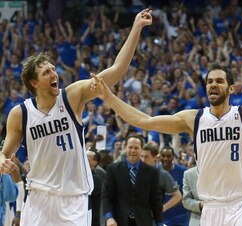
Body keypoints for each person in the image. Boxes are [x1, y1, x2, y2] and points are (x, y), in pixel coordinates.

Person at [91, 64, 242, 226]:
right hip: (210, 208)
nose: (212, 84)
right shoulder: (193, 118)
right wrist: (109, 97)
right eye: (209, 81)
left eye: (219, 81)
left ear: (230, 88)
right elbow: (144, 120)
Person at [0, 9, 153, 226]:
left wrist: (136, 28)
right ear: (34, 83)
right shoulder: (20, 113)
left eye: (54, 69)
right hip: (38, 197)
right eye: (47, 73)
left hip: (73, 199)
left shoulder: (72, 96)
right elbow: (5, 152)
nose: (54, 74)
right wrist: (1, 162)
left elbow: (117, 70)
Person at [102, 135, 163, 226]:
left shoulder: (152, 172)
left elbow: (155, 200)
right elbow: (107, 196)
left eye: (136, 148)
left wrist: (160, 222)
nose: (133, 150)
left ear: (141, 149)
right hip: (118, 221)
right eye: (130, 147)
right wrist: (109, 217)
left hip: (143, 221)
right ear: (125, 148)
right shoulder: (113, 169)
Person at [140, 143, 182, 213]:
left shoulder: (162, 174)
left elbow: (178, 196)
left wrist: (162, 208)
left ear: (155, 158)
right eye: (141, 156)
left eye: (146, 157)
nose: (143, 160)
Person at [159, 146, 189, 226]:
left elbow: (186, 195)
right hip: (161, 217)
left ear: (173, 157)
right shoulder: (154, 171)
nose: (165, 158)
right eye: (163, 155)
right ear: (159, 156)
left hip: (180, 217)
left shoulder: (183, 172)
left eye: (169, 156)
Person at [86, 149, 104, 226]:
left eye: (87, 156)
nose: (84, 157)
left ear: (95, 162)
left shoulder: (97, 179)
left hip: (91, 219)